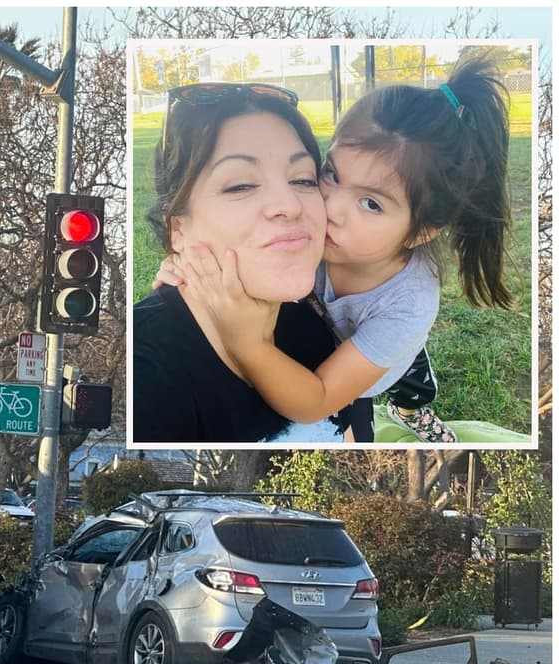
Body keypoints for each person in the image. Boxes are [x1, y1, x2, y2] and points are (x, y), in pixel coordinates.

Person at [158, 57, 512, 443]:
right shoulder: (307, 230)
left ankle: (412, 409)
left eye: (371, 204)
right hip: (327, 332)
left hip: (375, 354)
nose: (331, 208)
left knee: (401, 386)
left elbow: (319, 400)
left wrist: (248, 344)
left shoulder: (407, 307)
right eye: (331, 174)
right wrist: (191, 269)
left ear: (420, 232)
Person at [132, 81, 363, 442]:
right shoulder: (143, 376)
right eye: (240, 186)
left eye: (303, 180)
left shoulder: (311, 327)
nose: (289, 205)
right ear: (177, 229)